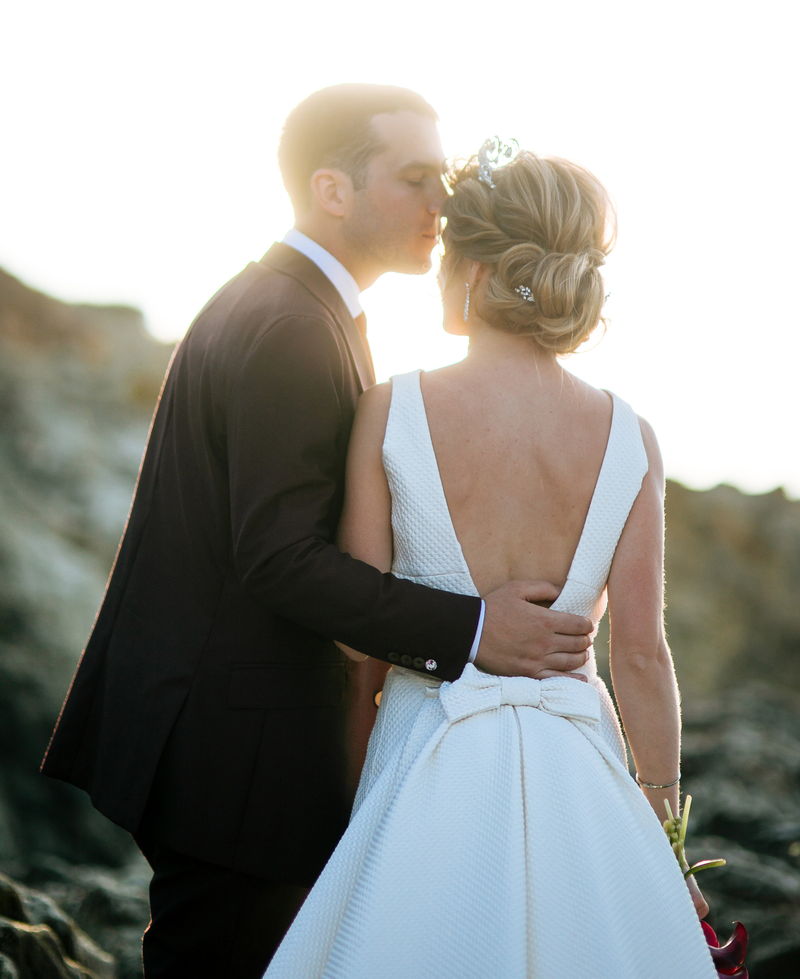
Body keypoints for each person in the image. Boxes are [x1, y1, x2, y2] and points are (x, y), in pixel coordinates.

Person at [40, 90, 595, 979]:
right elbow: (279, 558)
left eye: (442, 178)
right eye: (416, 178)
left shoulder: (284, 303)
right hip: (234, 746)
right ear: (333, 190)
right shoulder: (294, 326)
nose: (442, 205)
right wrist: (478, 629)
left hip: (212, 725)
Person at [264, 142, 716, 978]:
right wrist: (665, 840)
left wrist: (356, 807)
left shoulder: (392, 406)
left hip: (423, 752)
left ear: (472, 270)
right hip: (579, 773)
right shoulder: (630, 435)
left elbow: (362, 635)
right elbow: (644, 657)